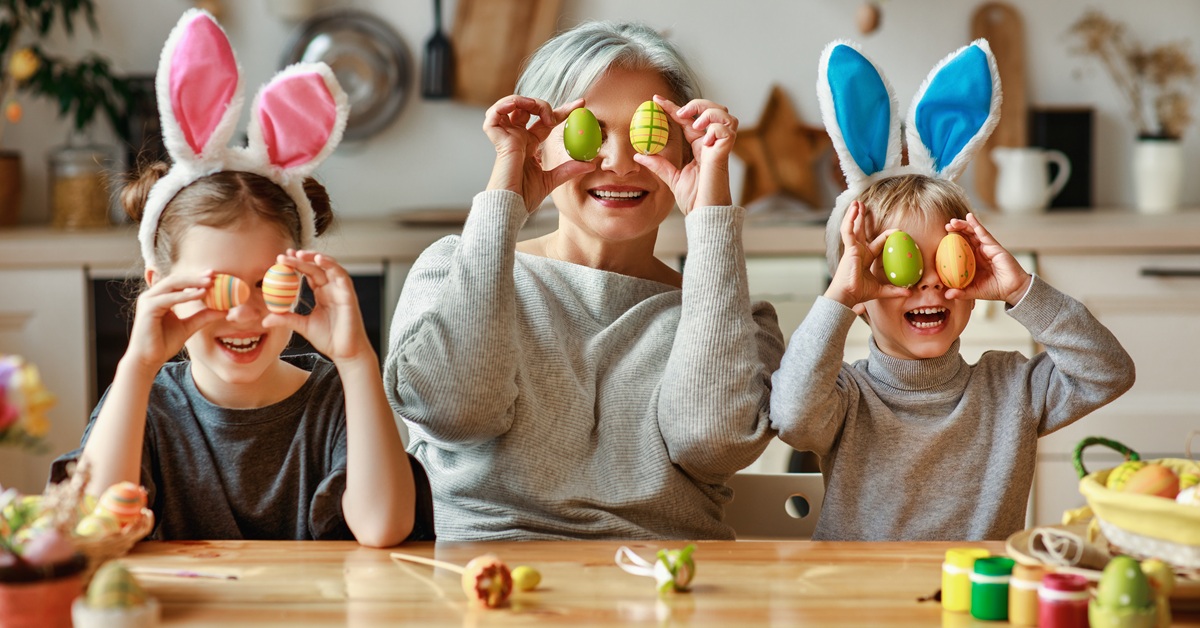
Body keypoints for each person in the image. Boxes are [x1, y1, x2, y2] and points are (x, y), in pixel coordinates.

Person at [383, 21, 784, 541]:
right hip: (481, 587)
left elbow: (711, 442)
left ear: (687, 150)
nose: (619, 163)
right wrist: (504, 202)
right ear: (539, 148)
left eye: (649, 134)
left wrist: (710, 218)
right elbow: (456, 412)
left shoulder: (732, 319)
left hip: (665, 595)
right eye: (589, 133)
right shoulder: (453, 271)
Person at [51, 10, 432, 546]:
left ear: (301, 278)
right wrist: (136, 368)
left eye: (268, 283)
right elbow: (90, 527)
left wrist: (357, 361)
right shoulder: (146, 405)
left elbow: (384, 527)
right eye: (217, 287)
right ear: (160, 286)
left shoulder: (332, 399)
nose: (245, 313)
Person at [770, 40, 1135, 541]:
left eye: (946, 260)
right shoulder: (846, 397)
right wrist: (838, 298)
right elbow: (790, 416)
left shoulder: (1012, 391)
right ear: (860, 294)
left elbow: (1108, 372)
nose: (927, 283)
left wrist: (1021, 290)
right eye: (900, 267)